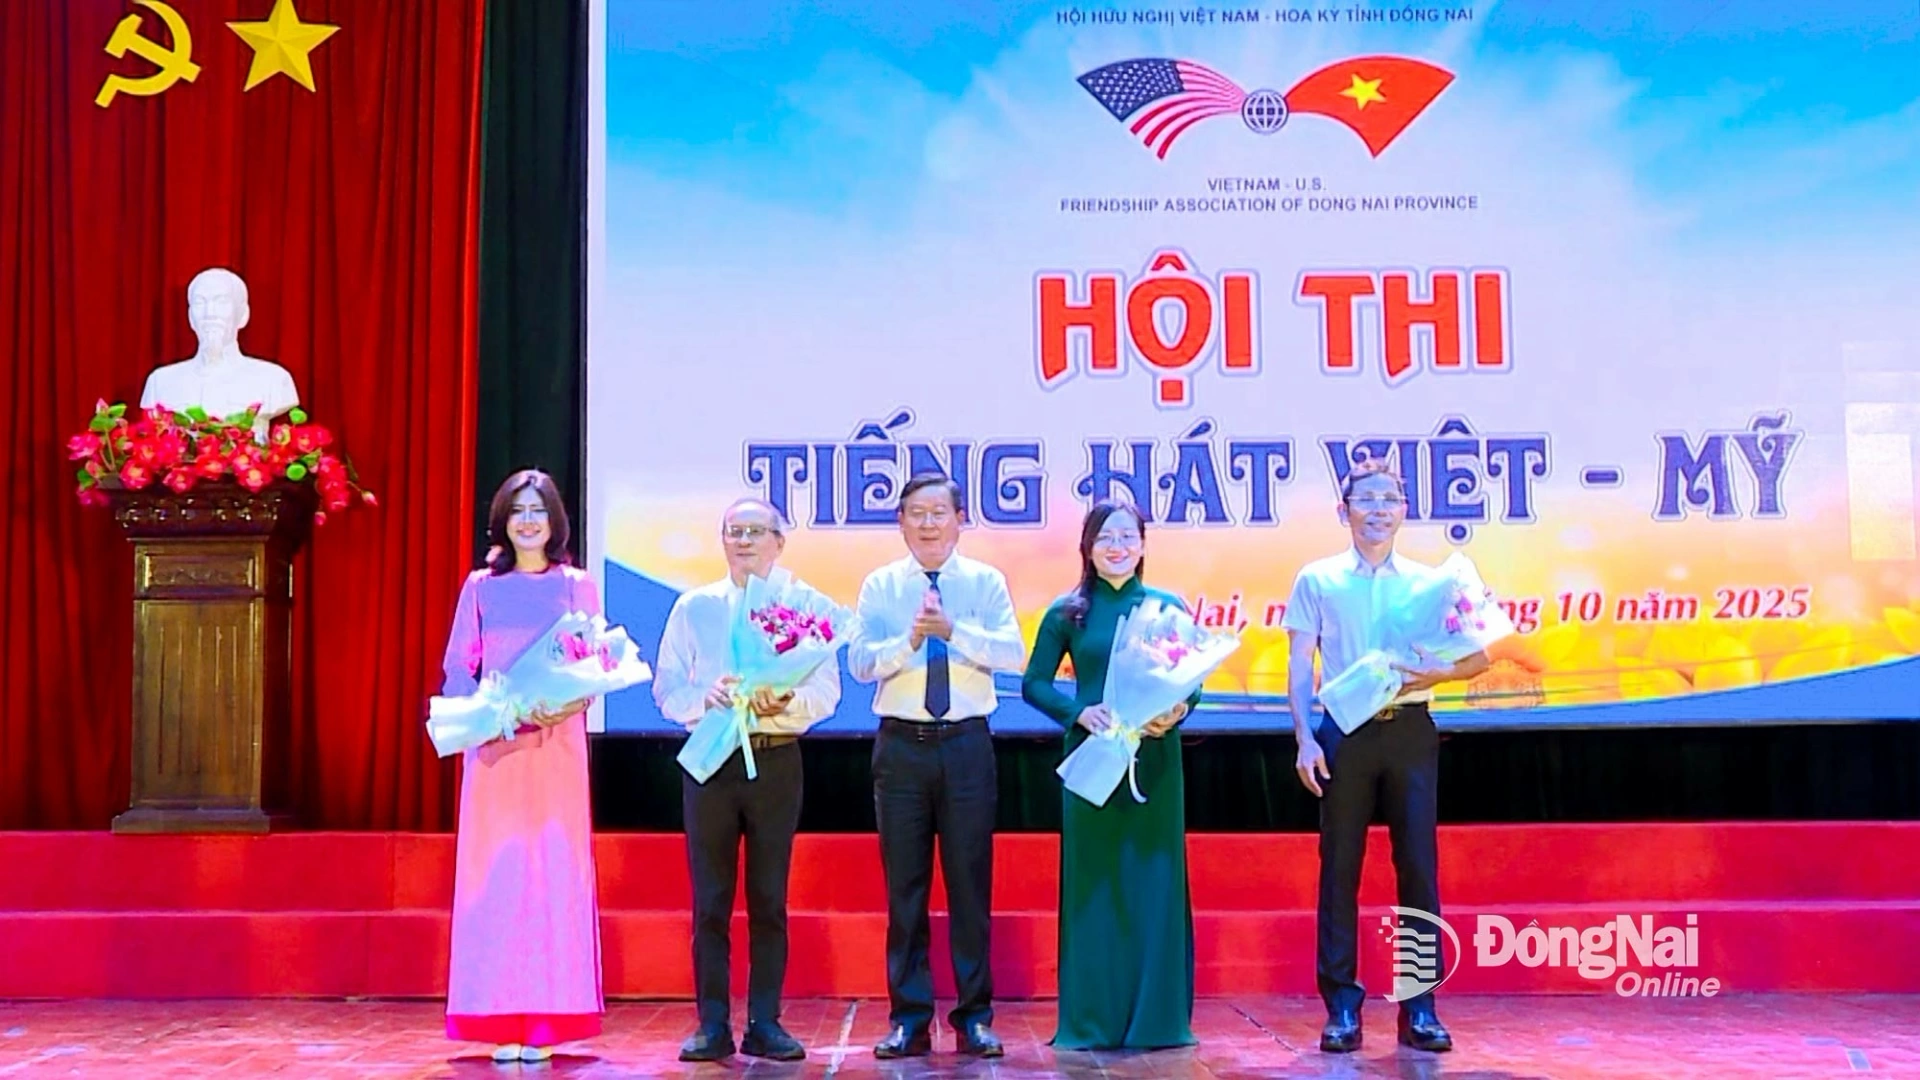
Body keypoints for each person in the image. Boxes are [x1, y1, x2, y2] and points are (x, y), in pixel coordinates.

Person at [1282, 458, 1489, 1054]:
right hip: (1343, 732)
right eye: (1366, 499)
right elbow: (1300, 665)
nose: (1378, 509)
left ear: (1404, 510)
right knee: (1339, 868)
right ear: (1343, 509)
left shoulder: (1432, 584)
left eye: (1389, 499)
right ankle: (1342, 1006)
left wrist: (1440, 672)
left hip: (1411, 731)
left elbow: (1482, 652)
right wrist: (1302, 737)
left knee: (1419, 868)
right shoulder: (1317, 580)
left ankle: (1420, 1006)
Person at [652, 498, 841, 1063]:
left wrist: (785, 699)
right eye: (735, 531)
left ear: (780, 542)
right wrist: (699, 700)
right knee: (710, 900)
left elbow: (827, 694)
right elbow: (666, 690)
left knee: (768, 899)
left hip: (776, 757)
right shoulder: (695, 606)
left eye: (756, 531)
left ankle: (766, 1021)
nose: (744, 541)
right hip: (711, 759)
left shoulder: (803, 607)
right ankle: (712, 1024)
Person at [847, 472, 1026, 1058]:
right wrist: (910, 642)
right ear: (900, 522)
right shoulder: (880, 586)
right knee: (906, 888)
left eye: (938, 513)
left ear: (959, 520)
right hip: (901, 748)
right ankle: (909, 1017)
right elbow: (860, 663)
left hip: (967, 744)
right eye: (916, 514)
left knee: (971, 884)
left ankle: (974, 1016)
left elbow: (1011, 653)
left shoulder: (984, 582)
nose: (928, 524)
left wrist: (954, 632)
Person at [437, 469, 604, 1064]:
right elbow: (460, 665)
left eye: (538, 510)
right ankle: (497, 1015)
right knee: (499, 876)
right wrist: (489, 708)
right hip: (497, 749)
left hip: (556, 747)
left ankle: (548, 1016)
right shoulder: (481, 587)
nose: (529, 520)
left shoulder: (575, 585)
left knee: (552, 872)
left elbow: (593, 664)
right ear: (503, 521)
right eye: (518, 511)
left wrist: (562, 701)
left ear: (555, 521)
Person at [1020, 498, 1198, 1051]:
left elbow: (1191, 682)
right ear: (1088, 548)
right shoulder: (1067, 612)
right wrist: (1078, 713)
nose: (1116, 546)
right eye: (1104, 538)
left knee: (1154, 884)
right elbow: (1035, 684)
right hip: (1093, 760)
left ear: (1143, 544)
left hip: (1154, 760)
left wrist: (1177, 710)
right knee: (1094, 886)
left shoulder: (1167, 609)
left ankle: (1158, 1021)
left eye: (1127, 536)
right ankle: (1091, 1019)